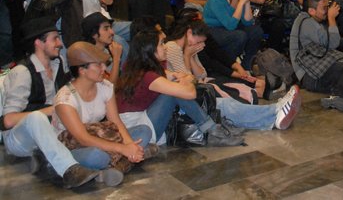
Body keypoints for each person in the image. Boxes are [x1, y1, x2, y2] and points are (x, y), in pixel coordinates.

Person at [2, 17, 101, 188]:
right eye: (55, 38)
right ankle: (69, 170)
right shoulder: (22, 72)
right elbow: (7, 121)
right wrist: (51, 110)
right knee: (36, 118)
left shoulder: (58, 65)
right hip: (19, 139)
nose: (60, 43)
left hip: (52, 132)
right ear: (39, 43)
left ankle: (103, 166)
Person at [162, 18, 301, 129]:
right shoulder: (173, 47)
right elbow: (190, 81)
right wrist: (187, 56)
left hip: (198, 88)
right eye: (160, 44)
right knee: (227, 104)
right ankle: (275, 111)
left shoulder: (189, 48)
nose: (199, 45)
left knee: (228, 102)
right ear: (189, 33)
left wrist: (191, 56)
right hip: (190, 94)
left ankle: (275, 111)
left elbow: (201, 75)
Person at [114, 29, 244, 146]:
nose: (165, 47)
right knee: (173, 94)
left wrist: (186, 80)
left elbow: (182, 76)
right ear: (150, 49)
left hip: (139, 120)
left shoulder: (138, 67)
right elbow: (189, 92)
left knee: (178, 90)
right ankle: (212, 130)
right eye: (161, 44)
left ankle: (213, 128)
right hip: (138, 127)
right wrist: (186, 80)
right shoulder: (147, 76)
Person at [52, 41, 156, 186]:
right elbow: (83, 139)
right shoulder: (65, 99)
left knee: (144, 131)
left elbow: (116, 121)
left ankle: (109, 168)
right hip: (74, 145)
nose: (103, 68)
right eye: (98, 65)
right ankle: (124, 161)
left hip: (100, 136)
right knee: (96, 156)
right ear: (82, 70)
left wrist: (129, 144)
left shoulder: (105, 87)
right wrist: (123, 148)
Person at [289, 0, 343, 112]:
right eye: (324, 8)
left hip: (318, 69)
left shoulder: (306, 19)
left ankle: (342, 90)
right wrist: (331, 18)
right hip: (310, 76)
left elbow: (326, 39)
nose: (328, 10)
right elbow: (333, 43)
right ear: (312, 11)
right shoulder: (307, 23)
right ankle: (337, 96)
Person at [203, 0, 264, 70]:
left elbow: (248, 23)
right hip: (211, 30)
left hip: (227, 27)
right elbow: (230, 25)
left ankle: (246, 65)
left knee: (256, 31)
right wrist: (241, 3)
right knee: (239, 36)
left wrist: (247, 2)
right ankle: (228, 65)